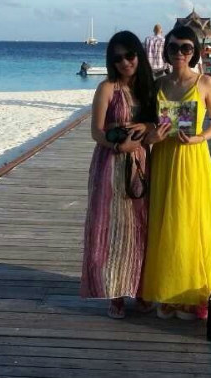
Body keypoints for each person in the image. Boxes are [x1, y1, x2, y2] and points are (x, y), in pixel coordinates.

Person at [141, 26, 211, 320]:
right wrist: (153, 136)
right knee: (166, 221)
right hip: (164, 157)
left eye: (186, 48)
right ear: (166, 50)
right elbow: (149, 125)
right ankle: (170, 291)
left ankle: (194, 290)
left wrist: (200, 138)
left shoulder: (204, 82)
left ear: (194, 51)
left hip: (193, 157)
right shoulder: (158, 84)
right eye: (174, 47)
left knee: (192, 219)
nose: (180, 53)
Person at [80, 31, 158, 319]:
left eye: (130, 55)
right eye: (118, 58)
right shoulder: (107, 88)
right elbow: (96, 131)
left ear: (139, 54)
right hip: (111, 163)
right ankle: (115, 294)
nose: (125, 62)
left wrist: (146, 127)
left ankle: (139, 288)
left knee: (139, 226)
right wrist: (117, 145)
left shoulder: (147, 87)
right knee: (111, 226)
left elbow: (160, 122)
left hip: (140, 162)